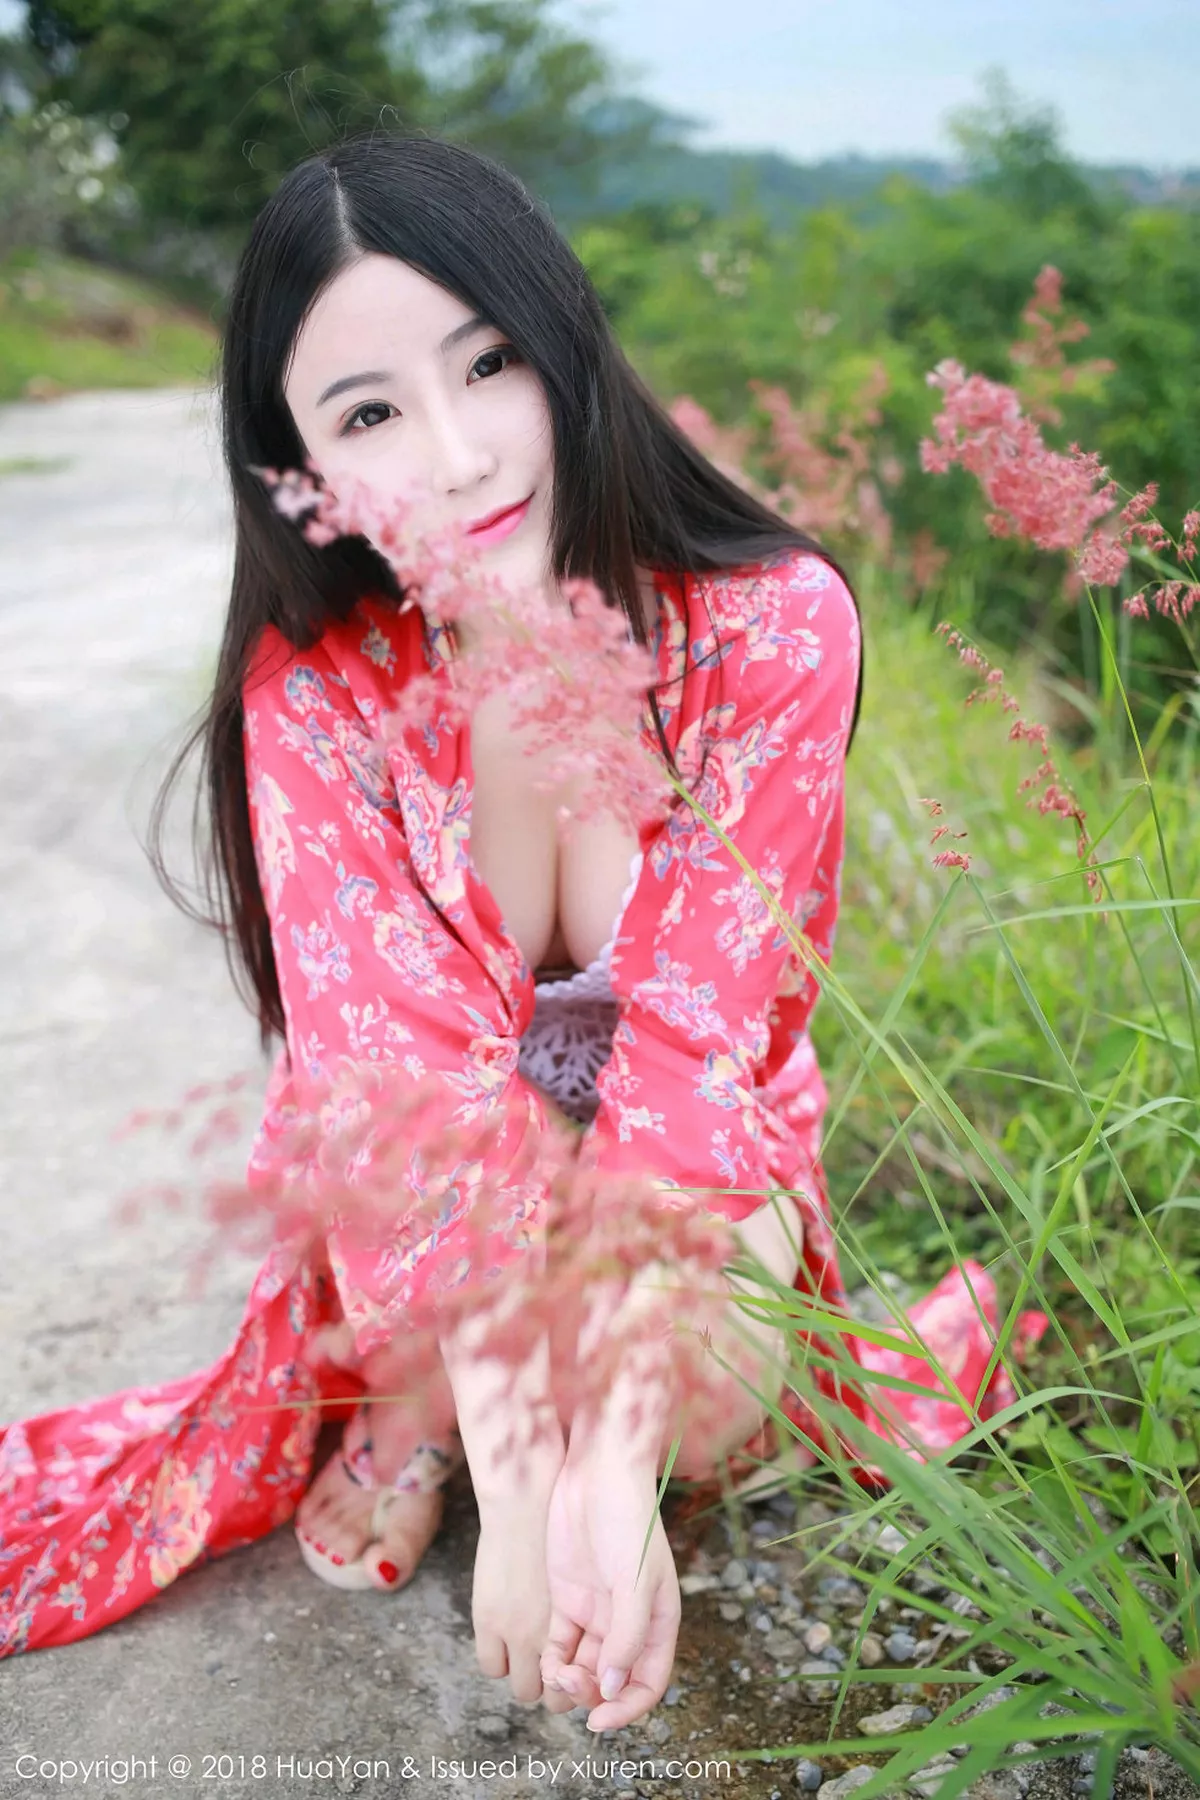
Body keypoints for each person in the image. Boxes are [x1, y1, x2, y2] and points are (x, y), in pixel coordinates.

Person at [0, 132, 1038, 1715]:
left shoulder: (769, 630)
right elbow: (397, 1100)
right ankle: (411, 1412)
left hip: (686, 1166)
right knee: (448, 1286)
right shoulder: (322, 691)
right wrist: (507, 1448)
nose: (459, 456)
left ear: (563, 339)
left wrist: (601, 1482)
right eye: (368, 415)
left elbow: (694, 1063)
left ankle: (578, 1441)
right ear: (302, 470)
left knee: (694, 1410)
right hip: (428, 1169)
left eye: (489, 364)